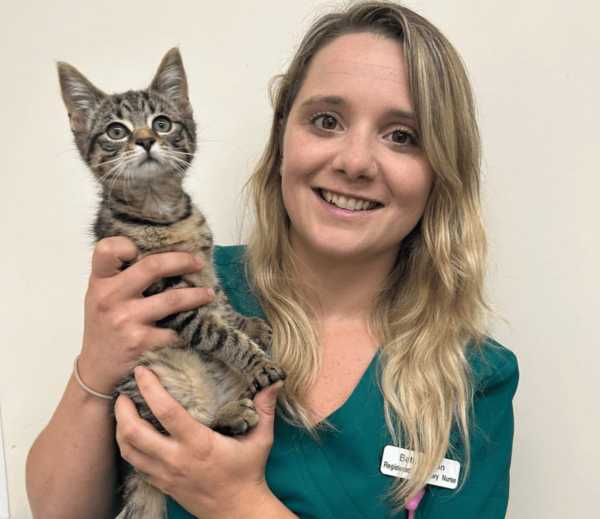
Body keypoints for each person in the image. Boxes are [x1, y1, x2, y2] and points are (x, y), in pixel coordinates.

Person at [25, 1, 519, 518]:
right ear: (283, 135)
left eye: (402, 135)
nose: (353, 162)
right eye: (326, 120)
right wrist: (93, 368)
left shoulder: (478, 377)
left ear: (443, 167)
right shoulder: (181, 284)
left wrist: (235, 501)